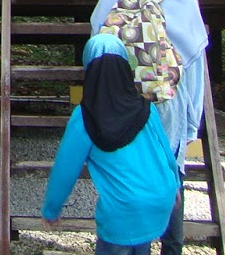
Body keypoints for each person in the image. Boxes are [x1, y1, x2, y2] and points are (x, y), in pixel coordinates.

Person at [90, 0, 209, 255]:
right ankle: (171, 249)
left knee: (126, 178)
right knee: (170, 180)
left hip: (121, 106)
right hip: (167, 106)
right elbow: (195, 70)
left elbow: (96, 54)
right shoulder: (183, 2)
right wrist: (189, 125)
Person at [41, 32, 181, 254]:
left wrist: (51, 209)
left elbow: (65, 170)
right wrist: (175, 186)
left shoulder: (84, 118)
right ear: (125, 67)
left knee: (121, 236)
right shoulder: (146, 108)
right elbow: (166, 152)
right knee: (139, 241)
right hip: (160, 197)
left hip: (122, 211)